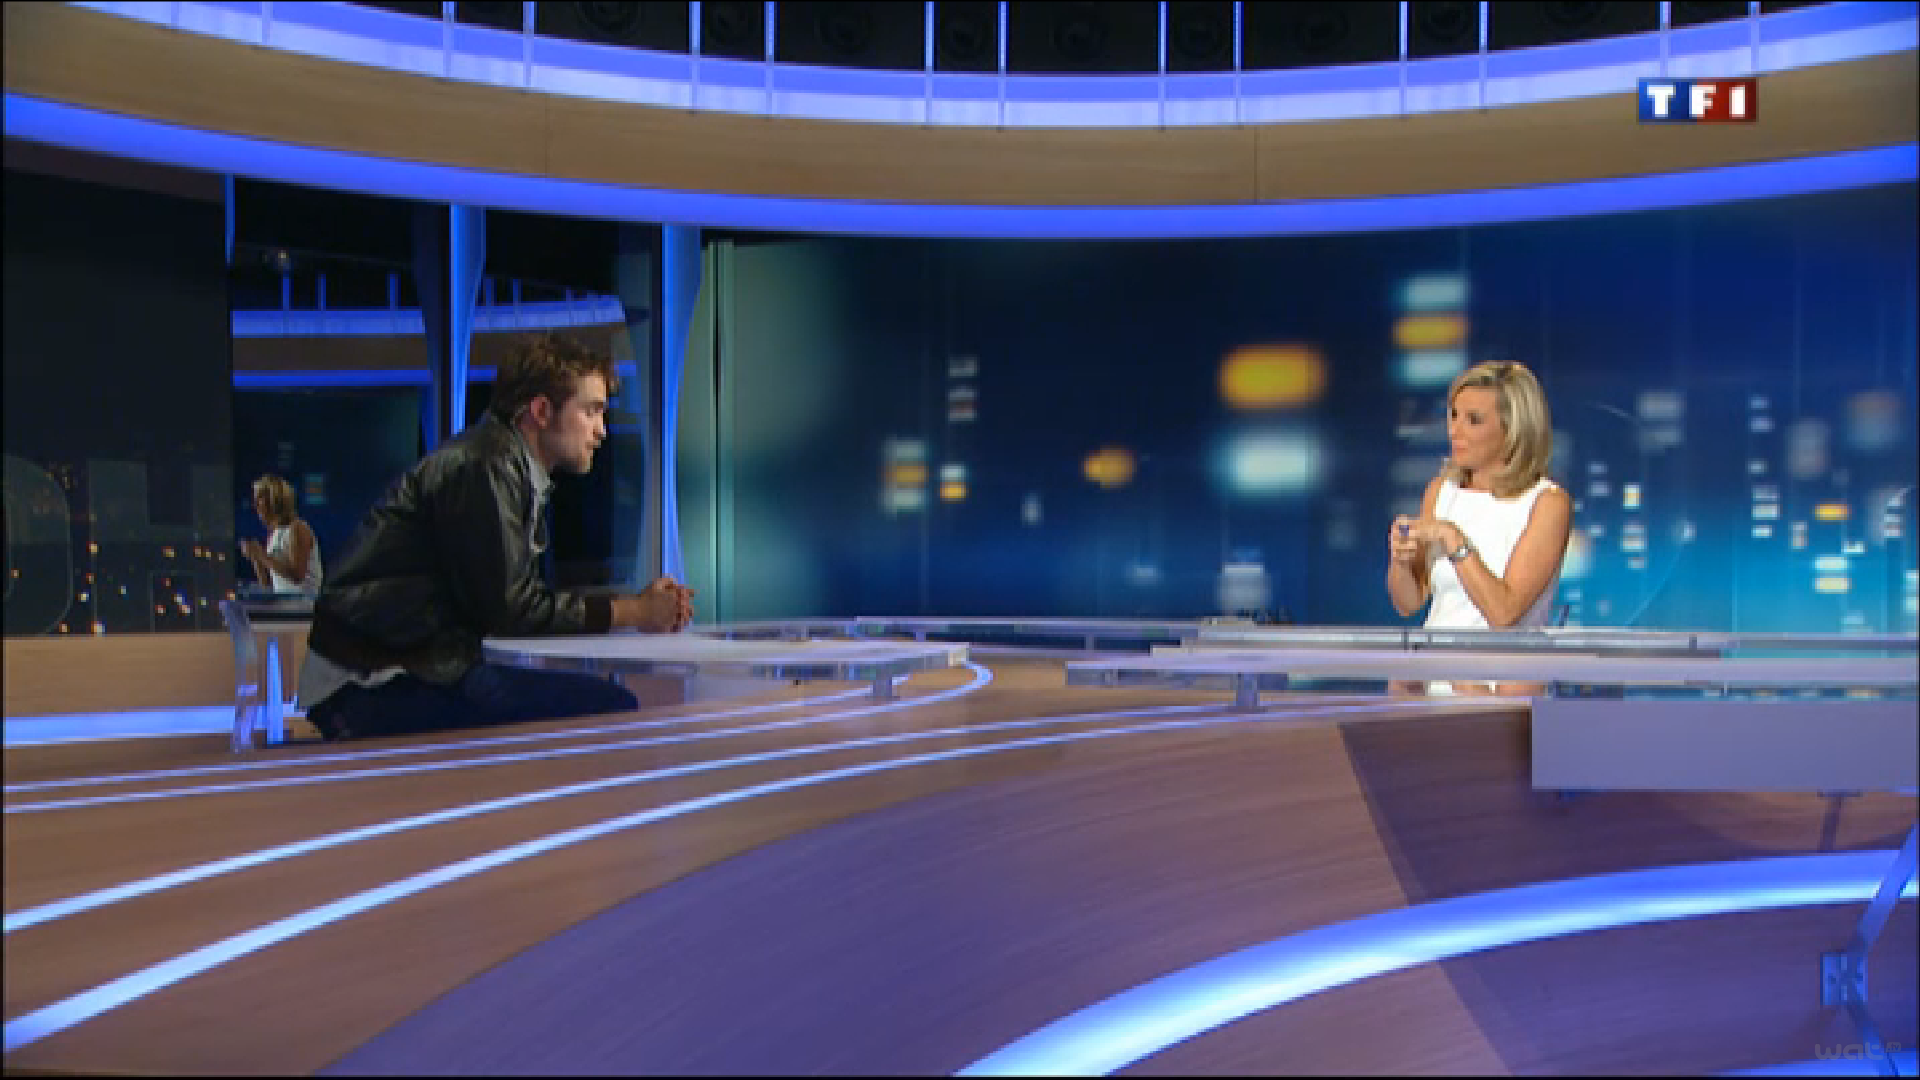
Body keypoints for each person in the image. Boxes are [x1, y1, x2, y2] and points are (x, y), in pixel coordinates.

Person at [297, 333, 695, 741]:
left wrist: (631, 609)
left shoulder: (504, 465)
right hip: (369, 684)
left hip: (400, 670)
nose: (602, 431)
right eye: (591, 411)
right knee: (611, 706)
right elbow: (511, 609)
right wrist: (634, 612)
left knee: (594, 700)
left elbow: (508, 603)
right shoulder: (486, 466)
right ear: (541, 410)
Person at [1385, 360, 1572, 696]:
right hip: (1428, 680)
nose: (1454, 431)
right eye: (1453, 415)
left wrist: (1454, 540)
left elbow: (1504, 612)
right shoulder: (1440, 491)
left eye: (1473, 420)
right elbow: (1408, 603)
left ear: (1512, 430)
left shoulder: (1547, 503)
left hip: (1500, 686)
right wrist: (1401, 559)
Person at [241, 474, 323, 595]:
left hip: (305, 604)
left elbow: (297, 576)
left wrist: (262, 555)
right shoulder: (274, 534)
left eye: (259, 498)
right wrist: (256, 559)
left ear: (274, 500)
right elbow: (268, 586)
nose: (255, 505)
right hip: (283, 604)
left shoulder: (297, 528)